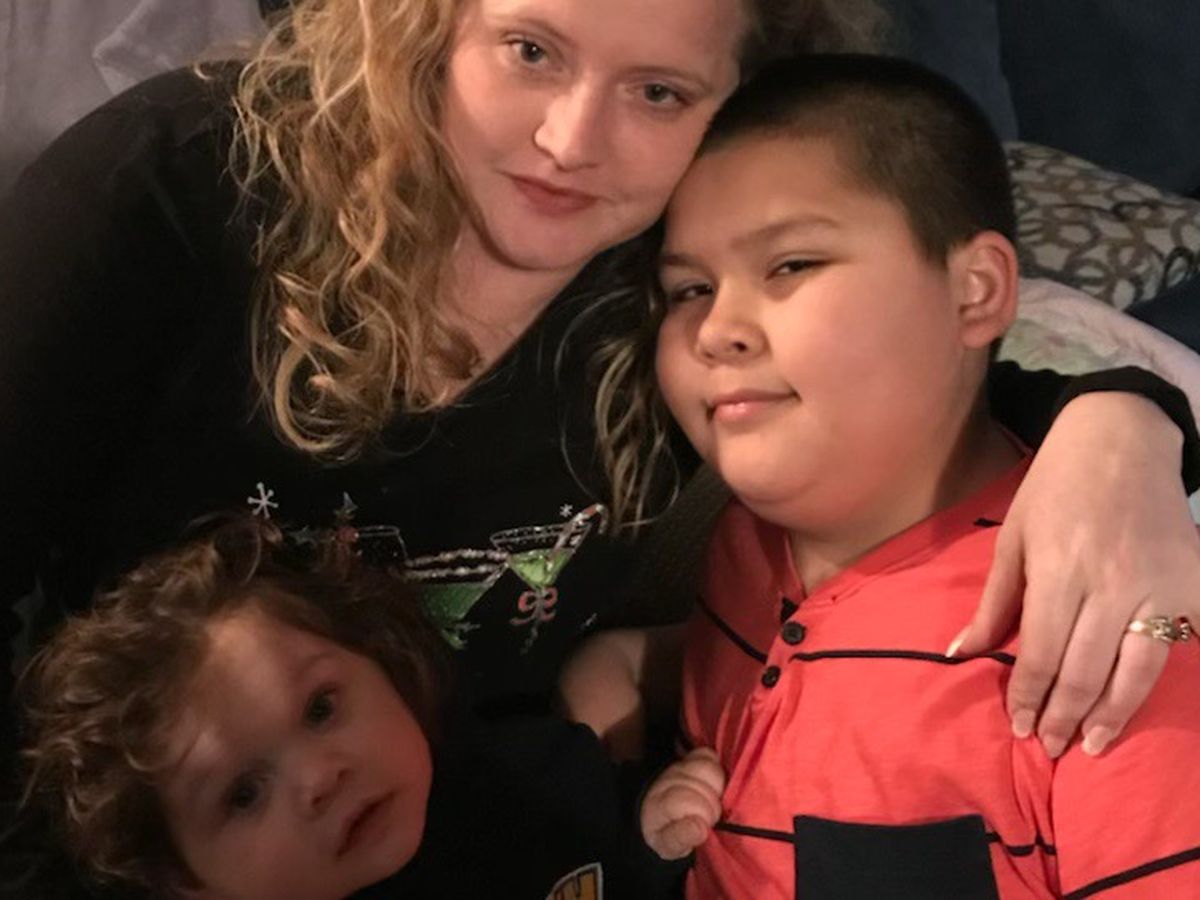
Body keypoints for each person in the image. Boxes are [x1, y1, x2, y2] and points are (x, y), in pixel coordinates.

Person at [0, 0, 1198, 785]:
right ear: (429, 25)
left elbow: (908, 359)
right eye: (532, 51)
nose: (572, 143)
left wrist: (1121, 426)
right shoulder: (169, 188)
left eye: (660, 92)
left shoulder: (684, 285)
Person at [601, 54, 1198, 897]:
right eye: (690, 288)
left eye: (791, 265)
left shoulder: (1103, 627)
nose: (715, 328)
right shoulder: (739, 541)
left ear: (975, 291)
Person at [15, 516, 673, 899]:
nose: (320, 778)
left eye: (321, 709)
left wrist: (660, 827)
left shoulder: (531, 778)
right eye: (243, 793)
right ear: (186, 880)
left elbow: (630, 844)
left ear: (383, 667)